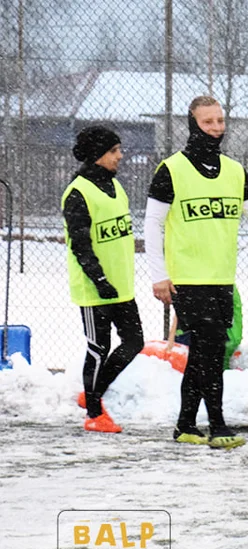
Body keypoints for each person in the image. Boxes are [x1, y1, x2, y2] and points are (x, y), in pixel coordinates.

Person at [144, 95, 248, 449]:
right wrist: (158, 274)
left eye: (220, 121)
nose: (216, 129)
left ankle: (185, 425)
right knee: (209, 349)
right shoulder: (171, 169)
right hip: (188, 278)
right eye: (208, 123)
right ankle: (219, 425)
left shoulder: (235, 171)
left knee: (204, 353)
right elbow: (152, 224)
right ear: (193, 125)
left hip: (222, 277)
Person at [63, 126, 144, 433]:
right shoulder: (78, 193)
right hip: (95, 289)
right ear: (97, 155)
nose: (120, 156)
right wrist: (98, 278)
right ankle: (95, 414)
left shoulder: (115, 186)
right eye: (113, 151)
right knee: (98, 348)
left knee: (134, 342)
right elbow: (80, 244)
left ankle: (92, 392)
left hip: (121, 286)